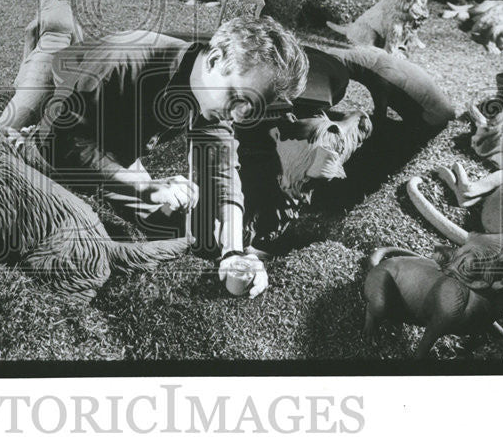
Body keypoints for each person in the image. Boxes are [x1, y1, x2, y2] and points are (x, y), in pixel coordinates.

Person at [17, 15, 309, 298]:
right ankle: (55, 30)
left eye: (251, 108)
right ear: (214, 60)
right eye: (238, 99)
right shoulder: (121, 60)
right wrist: (142, 187)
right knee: (16, 122)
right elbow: (57, 141)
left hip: (118, 145)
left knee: (177, 229)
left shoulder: (214, 86)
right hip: (64, 97)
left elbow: (220, 169)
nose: (238, 116)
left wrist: (234, 252)